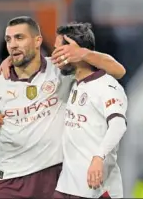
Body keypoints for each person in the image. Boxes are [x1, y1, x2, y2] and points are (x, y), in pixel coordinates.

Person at [0, 16, 125, 199]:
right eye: (9, 39)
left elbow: (118, 71)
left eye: (19, 38)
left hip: (54, 176)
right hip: (9, 180)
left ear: (38, 41)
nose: (12, 44)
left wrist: (83, 53)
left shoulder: (59, 70)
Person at [52, 23, 127, 199]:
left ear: (75, 53)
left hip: (95, 186)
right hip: (66, 185)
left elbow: (118, 125)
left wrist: (98, 158)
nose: (54, 57)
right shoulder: (70, 83)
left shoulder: (107, 86)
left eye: (59, 50)